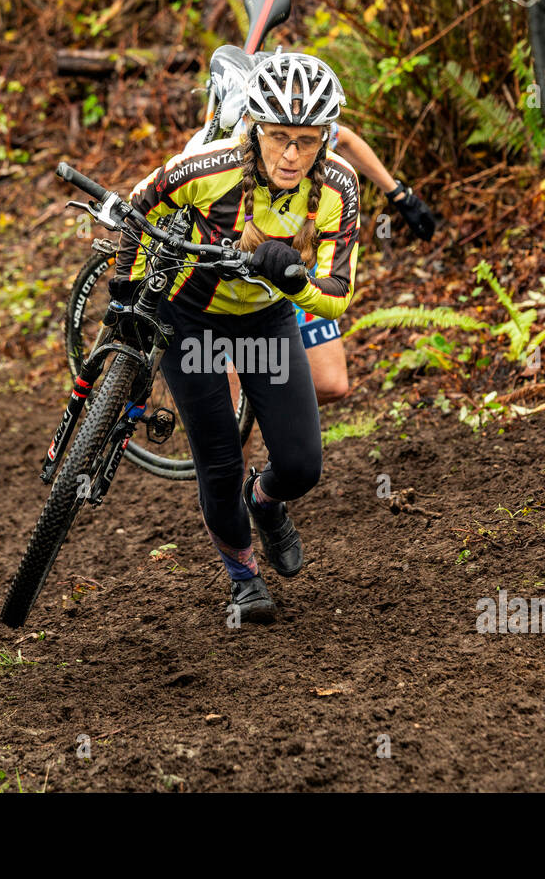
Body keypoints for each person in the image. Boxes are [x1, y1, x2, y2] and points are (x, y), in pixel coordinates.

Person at [110, 52, 361, 623]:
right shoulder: (207, 167)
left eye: (307, 139)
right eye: (278, 138)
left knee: (301, 467)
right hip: (192, 315)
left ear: (327, 136)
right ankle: (244, 577)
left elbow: (338, 292)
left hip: (266, 322)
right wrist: (124, 293)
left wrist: (295, 280)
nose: (293, 155)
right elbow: (137, 209)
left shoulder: (338, 188)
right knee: (219, 463)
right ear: (254, 128)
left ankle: (265, 502)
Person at [184, 63, 437, 404]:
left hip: (293, 253)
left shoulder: (301, 129)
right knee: (229, 392)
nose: (290, 151)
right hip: (226, 269)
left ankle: (269, 416)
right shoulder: (232, 135)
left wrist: (398, 194)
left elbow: (343, 140)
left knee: (332, 383)